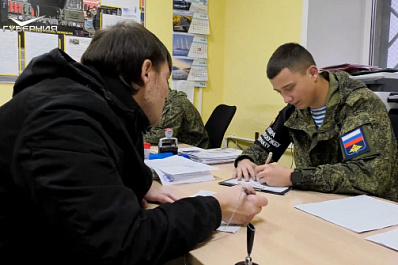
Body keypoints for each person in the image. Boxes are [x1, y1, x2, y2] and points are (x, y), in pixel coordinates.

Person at [0, 22, 268, 264]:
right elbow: (124, 243)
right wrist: (217, 207)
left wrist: (139, 182)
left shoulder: (89, 106)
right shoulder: (64, 122)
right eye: (167, 78)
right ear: (147, 72)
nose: (167, 92)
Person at [234, 42, 398, 202]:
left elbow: (369, 176)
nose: (286, 99)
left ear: (312, 73)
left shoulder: (358, 104)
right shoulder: (294, 110)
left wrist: (294, 177)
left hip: (370, 210)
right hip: (314, 203)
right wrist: (246, 160)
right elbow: (263, 148)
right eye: (279, 92)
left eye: (289, 88)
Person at [143, 88, 210, 148]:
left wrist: (136, 136)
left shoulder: (175, 104)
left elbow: (165, 136)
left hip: (195, 148)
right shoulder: (159, 103)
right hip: (178, 146)